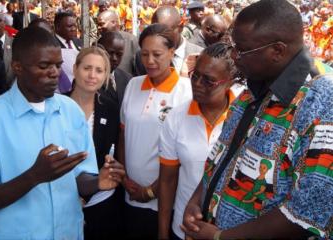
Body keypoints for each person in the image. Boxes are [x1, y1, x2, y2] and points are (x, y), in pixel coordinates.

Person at [182, 0, 333, 239]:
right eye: (232, 46)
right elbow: (220, 157)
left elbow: (309, 213)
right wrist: (196, 200)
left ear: (278, 51)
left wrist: (221, 237)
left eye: (241, 50)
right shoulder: (250, 91)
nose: (233, 56)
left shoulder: (323, 104)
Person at [0, 27, 125, 239]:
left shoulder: (70, 110)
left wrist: (98, 182)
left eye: (58, 65)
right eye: (44, 66)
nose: (55, 72)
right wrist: (34, 176)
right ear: (17, 66)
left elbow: (80, 176)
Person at [158, 43, 244, 240]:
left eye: (208, 81)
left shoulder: (243, 118)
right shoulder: (176, 117)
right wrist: (162, 233)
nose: (197, 84)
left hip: (228, 231)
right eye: (195, 75)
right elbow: (167, 180)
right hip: (184, 226)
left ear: (229, 82)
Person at [119, 23, 192, 240]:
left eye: (157, 54)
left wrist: (151, 191)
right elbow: (124, 134)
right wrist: (124, 179)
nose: (150, 61)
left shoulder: (185, 92)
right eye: (145, 54)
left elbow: (181, 154)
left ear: (172, 52)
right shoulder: (133, 84)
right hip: (129, 195)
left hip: (163, 202)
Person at [67, 46, 124, 239]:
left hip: (101, 203)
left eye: (99, 70)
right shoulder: (57, 106)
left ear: (106, 75)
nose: (92, 75)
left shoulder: (110, 109)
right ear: (75, 69)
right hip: (63, 203)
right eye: (87, 68)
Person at [134, 6, 203, 77]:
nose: (158, 36)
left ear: (180, 27)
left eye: (165, 31)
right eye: (154, 30)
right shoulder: (142, 55)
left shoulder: (200, 55)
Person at [97, 10, 139, 75]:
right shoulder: (98, 43)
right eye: (98, 24)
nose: (98, 27)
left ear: (113, 22)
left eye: (102, 24)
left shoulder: (131, 40)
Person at [97, 31, 132, 108]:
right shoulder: (91, 79)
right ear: (99, 50)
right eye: (110, 53)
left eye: (119, 54)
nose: (114, 58)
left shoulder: (128, 79)